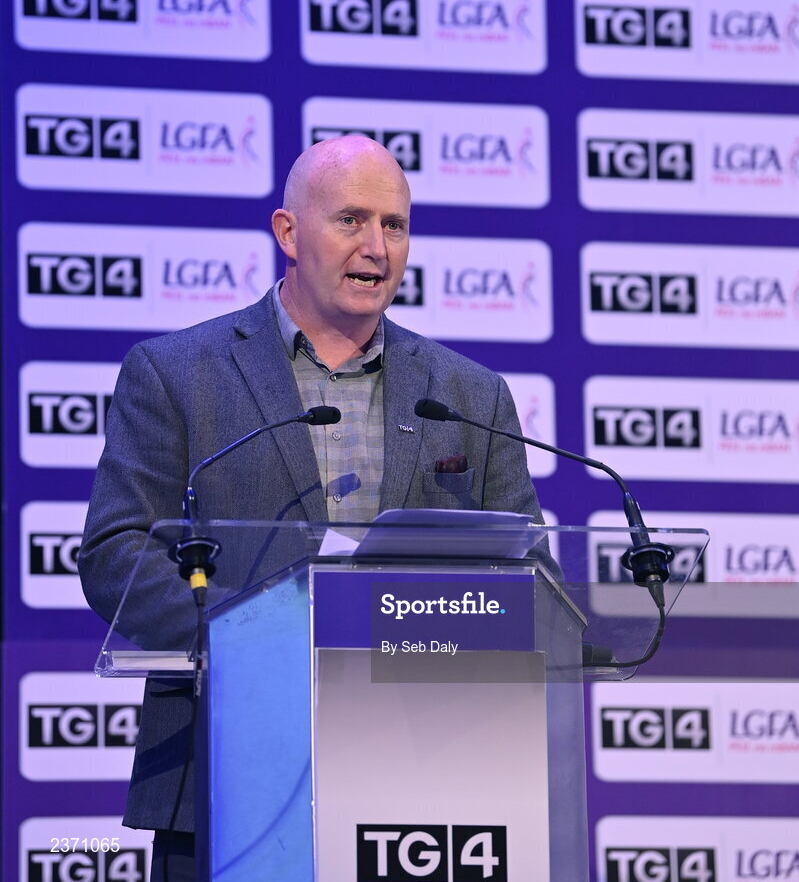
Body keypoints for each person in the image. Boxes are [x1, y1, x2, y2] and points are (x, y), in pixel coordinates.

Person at [78, 135, 544, 878]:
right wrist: (256, 643)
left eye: (394, 225)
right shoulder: (175, 374)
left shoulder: (469, 394)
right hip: (227, 763)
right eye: (351, 219)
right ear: (288, 233)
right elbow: (116, 550)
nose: (377, 246)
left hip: (423, 779)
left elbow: (528, 569)